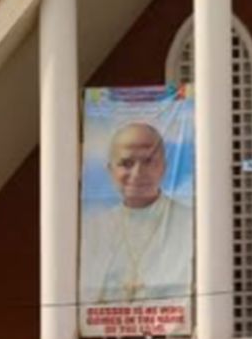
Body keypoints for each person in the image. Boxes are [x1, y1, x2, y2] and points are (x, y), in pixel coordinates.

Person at [80, 121, 195, 310]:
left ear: (163, 167)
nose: (138, 173)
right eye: (126, 164)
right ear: (111, 170)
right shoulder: (94, 229)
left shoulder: (190, 223)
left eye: (148, 161)